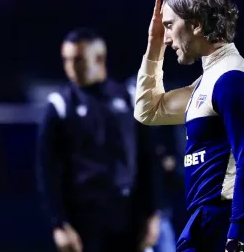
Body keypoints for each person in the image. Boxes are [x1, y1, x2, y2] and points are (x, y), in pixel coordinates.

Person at [133, 0, 244, 252]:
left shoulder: (232, 80)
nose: (167, 37)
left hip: (227, 223)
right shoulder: (210, 80)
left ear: (196, 24)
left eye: (170, 26)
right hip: (208, 221)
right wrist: (154, 44)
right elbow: (148, 110)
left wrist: (239, 232)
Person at [36, 28, 161, 252]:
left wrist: (153, 212)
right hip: (84, 217)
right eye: (66, 60)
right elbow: (48, 171)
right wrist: (59, 223)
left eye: (78, 60)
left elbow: (147, 158)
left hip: (127, 213)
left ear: (100, 58)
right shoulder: (61, 105)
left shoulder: (129, 98)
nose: (70, 67)